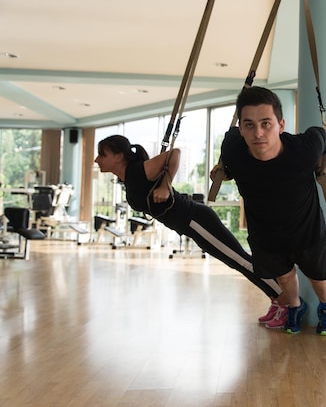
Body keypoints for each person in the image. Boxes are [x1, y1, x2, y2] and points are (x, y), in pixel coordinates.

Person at [95, 135, 289, 325]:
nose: (97, 159)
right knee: (236, 261)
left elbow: (174, 154)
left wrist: (166, 186)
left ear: (119, 156)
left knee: (239, 260)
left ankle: (287, 301)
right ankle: (277, 299)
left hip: (195, 219)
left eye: (102, 154)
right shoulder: (129, 177)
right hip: (191, 225)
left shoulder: (137, 171)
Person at [212, 86, 326, 335]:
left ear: (281, 124)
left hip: (305, 228)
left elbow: (320, 134)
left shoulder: (304, 150)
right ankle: (295, 307)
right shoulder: (233, 149)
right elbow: (230, 152)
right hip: (265, 234)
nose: (258, 133)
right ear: (241, 128)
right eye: (249, 125)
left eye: (266, 124)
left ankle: (325, 306)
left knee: (317, 274)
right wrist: (223, 173)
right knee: (284, 276)